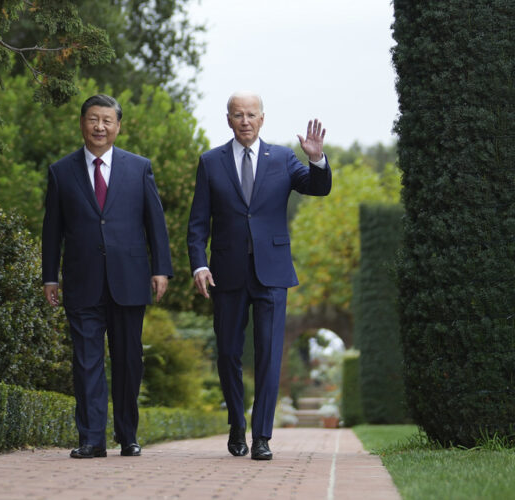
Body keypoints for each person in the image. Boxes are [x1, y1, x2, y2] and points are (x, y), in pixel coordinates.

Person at [187, 91, 331, 460]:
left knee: (269, 354)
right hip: (226, 273)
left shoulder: (283, 158)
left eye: (252, 114)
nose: (245, 121)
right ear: (229, 119)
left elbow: (317, 187)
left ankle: (262, 436)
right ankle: (237, 423)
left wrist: (316, 159)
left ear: (263, 119)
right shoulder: (210, 161)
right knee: (228, 354)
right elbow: (198, 222)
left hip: (272, 272)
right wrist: (199, 264)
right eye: (238, 115)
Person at [42, 94, 174, 459]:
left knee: (129, 360)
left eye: (107, 121)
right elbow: (51, 229)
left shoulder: (139, 167)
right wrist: (49, 276)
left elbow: (155, 223)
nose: (100, 127)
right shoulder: (60, 171)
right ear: (82, 123)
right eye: (93, 119)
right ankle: (91, 439)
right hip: (82, 280)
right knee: (86, 361)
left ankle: (127, 435)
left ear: (118, 126)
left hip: (129, 279)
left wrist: (161, 268)